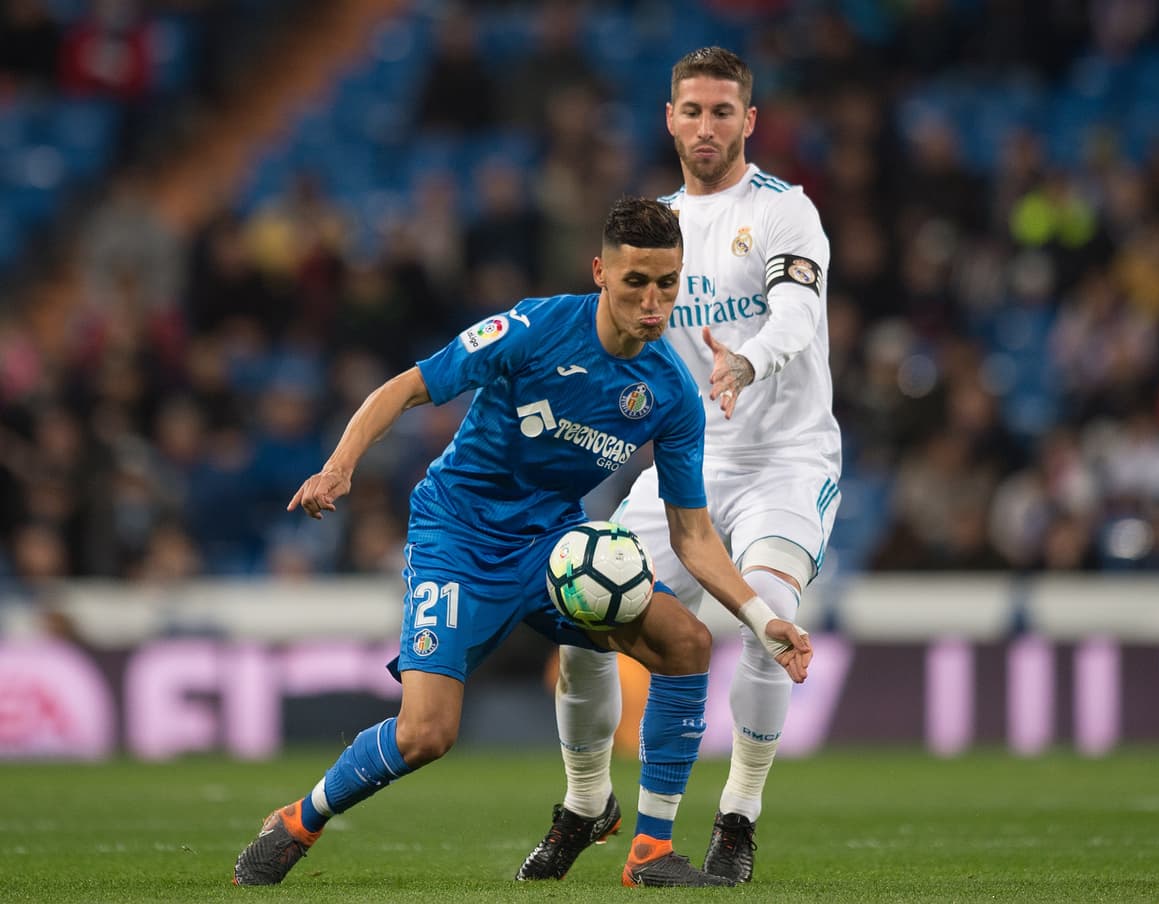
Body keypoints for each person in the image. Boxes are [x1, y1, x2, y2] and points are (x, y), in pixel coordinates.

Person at [230, 197, 813, 889]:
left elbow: (692, 534)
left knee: (687, 642)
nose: (653, 301)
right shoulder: (534, 327)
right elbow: (407, 387)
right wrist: (339, 465)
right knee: (426, 735)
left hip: (553, 547)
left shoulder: (671, 395)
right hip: (460, 534)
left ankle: (651, 851)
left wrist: (762, 617)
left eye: (668, 282)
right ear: (601, 272)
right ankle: (301, 818)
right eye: (636, 282)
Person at [519, 48, 841, 885]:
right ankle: (586, 804)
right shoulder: (654, 225)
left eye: (723, 112)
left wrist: (746, 362)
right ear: (669, 118)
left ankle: (738, 816)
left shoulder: (785, 211)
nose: (706, 126)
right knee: (585, 618)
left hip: (786, 457)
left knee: (766, 619)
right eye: (692, 111)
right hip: (687, 464)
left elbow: (798, 314)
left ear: (749, 121)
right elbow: (615, 341)